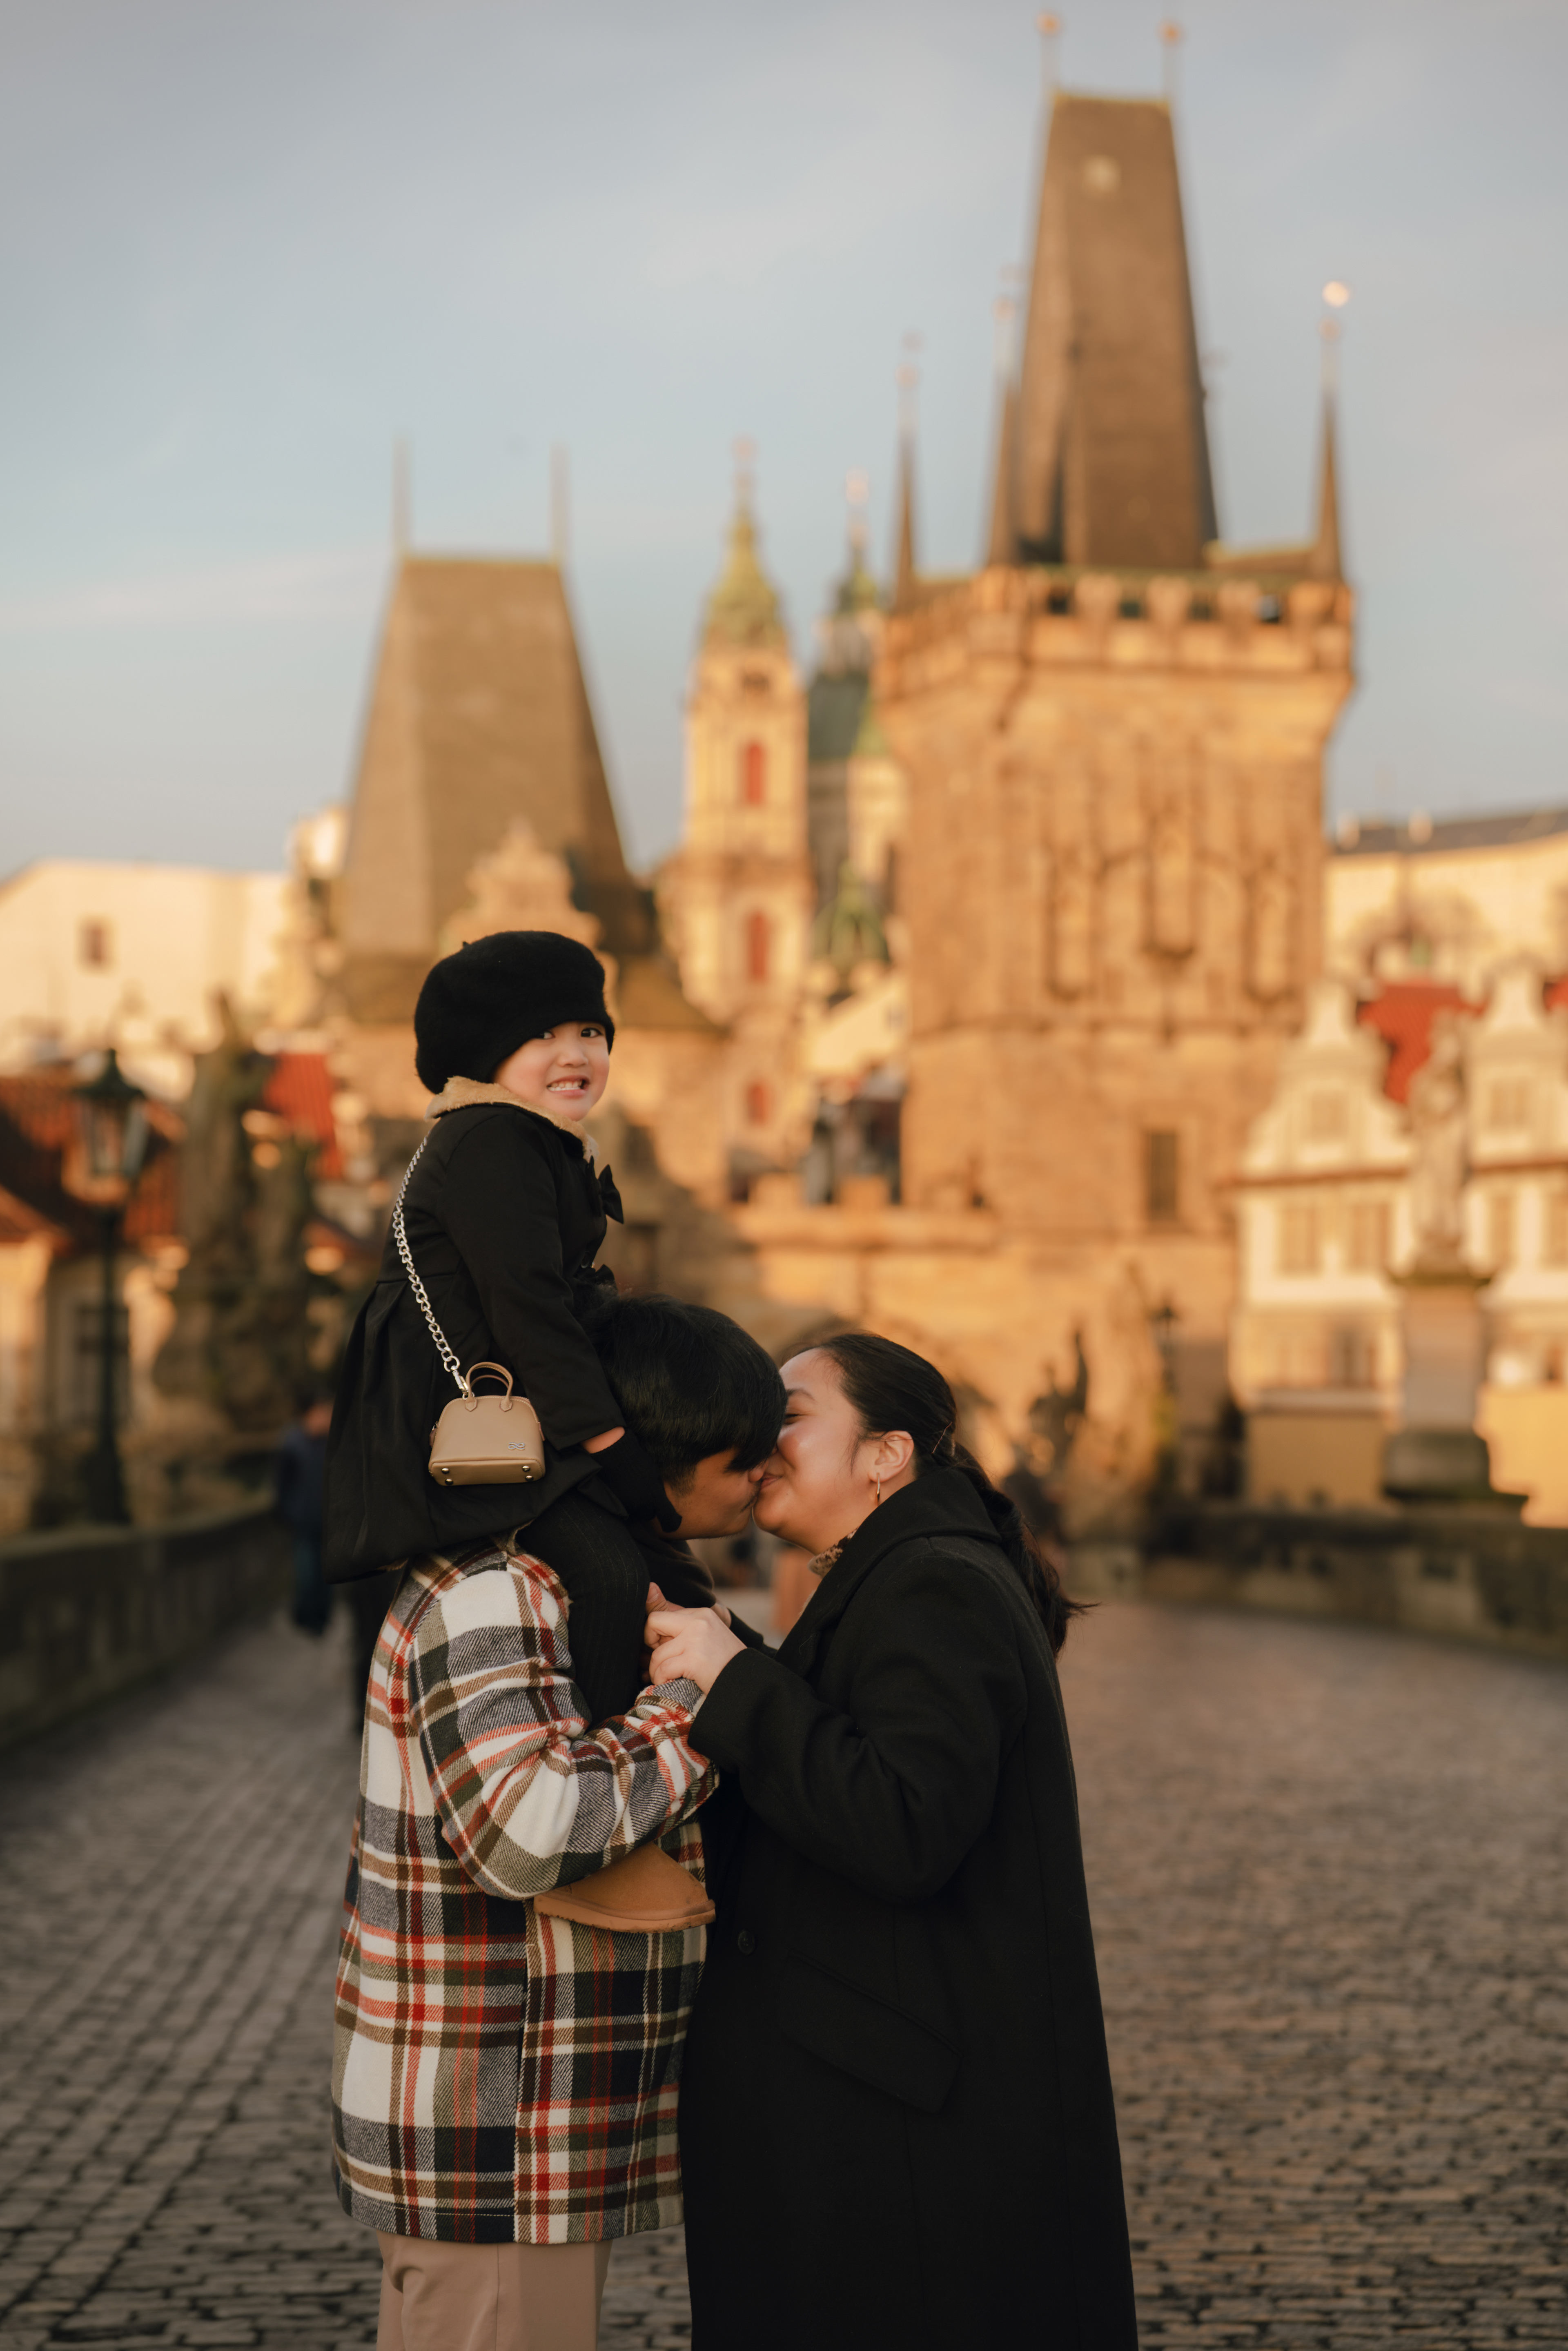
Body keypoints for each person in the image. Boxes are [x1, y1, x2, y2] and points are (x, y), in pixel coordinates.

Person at [647, 1332, 1139, 2351]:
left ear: (886, 1453)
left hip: (898, 2127)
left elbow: (904, 1822)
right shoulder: (896, 1572)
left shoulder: (932, 1584)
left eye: (790, 1416)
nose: (762, 1441)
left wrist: (736, 1682)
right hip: (880, 2100)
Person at [333, 1290, 786, 2351]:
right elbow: (528, 1827)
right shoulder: (500, 1590)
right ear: (664, 1460)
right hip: (498, 2119)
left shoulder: (560, 1576)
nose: (764, 1474)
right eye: (745, 1456)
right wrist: (703, 1701)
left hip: (521, 2117)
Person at [325, 928, 714, 1715]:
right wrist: (613, 1446)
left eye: (591, 1032)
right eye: (543, 1034)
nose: (576, 1054)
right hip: (465, 1425)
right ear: (486, 1051)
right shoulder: (491, 1138)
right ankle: (591, 1748)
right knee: (610, 1574)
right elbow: (531, 1311)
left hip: (519, 1413)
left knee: (670, 1574)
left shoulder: (534, 1138)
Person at [275, 1388, 334, 1634]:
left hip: (329, 1523)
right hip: (303, 1522)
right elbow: (282, 1484)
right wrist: (288, 1514)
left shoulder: (332, 1443)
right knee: (307, 1573)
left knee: (327, 1576)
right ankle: (306, 1618)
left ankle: (322, 1618)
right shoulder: (292, 1443)